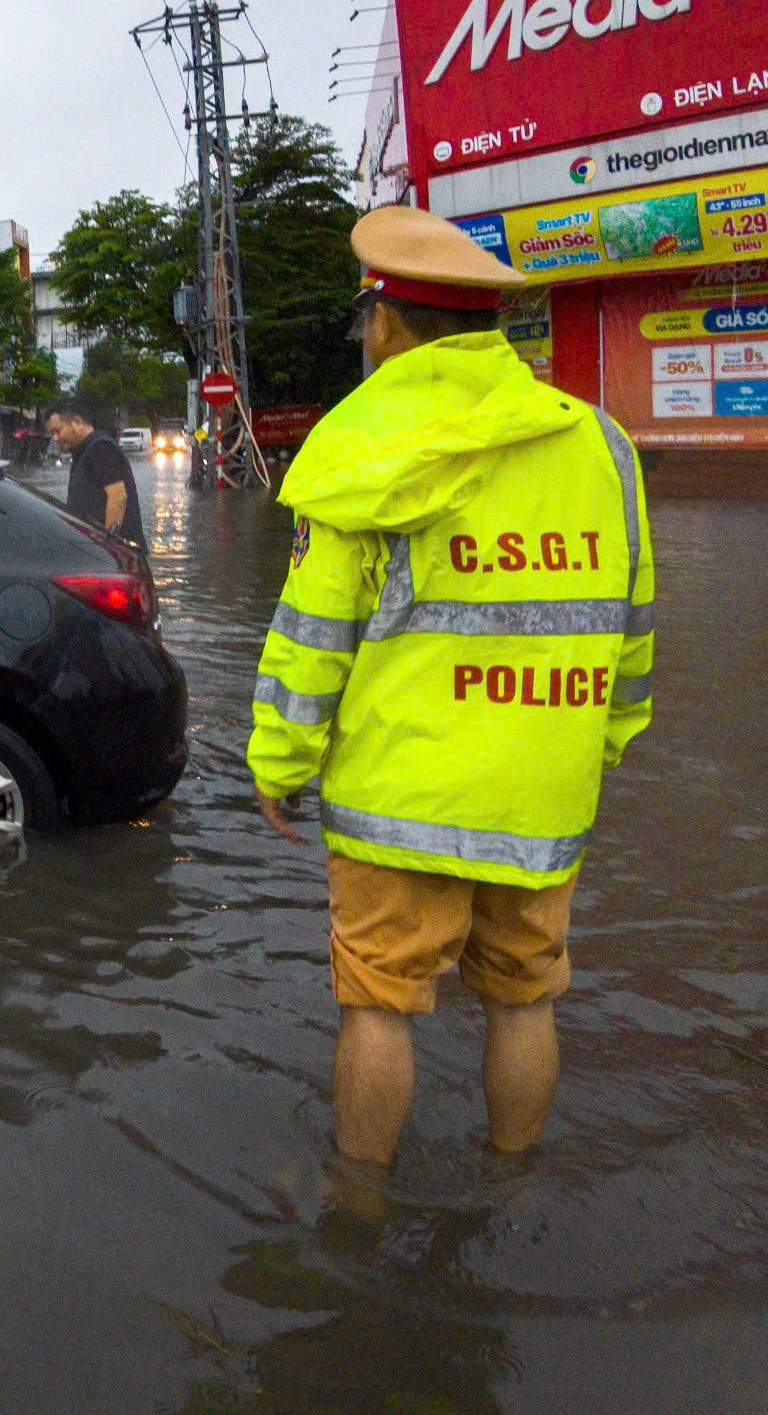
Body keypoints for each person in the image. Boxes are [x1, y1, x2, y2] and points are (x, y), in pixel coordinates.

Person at [250, 205, 655, 1169]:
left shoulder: (355, 449)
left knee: (378, 1007)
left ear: (387, 321)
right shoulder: (603, 447)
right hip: (541, 791)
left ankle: (358, 1216)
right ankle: (513, 1186)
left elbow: (313, 640)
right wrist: (599, 747)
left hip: (399, 798)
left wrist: (280, 764)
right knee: (526, 999)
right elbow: (630, 633)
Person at [45, 399, 147, 548]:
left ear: (77, 422)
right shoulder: (85, 451)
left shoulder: (100, 448)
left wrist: (108, 548)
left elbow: (118, 496)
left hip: (118, 560)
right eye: (52, 433)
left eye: (57, 430)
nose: (55, 438)